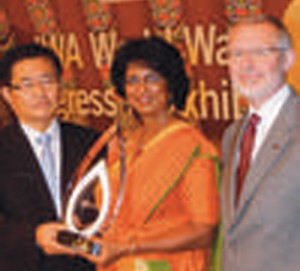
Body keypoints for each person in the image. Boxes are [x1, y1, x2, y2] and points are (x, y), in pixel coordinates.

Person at [36, 37, 220, 271]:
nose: (141, 89)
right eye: (132, 80)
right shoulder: (121, 143)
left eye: (151, 78)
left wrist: (128, 247)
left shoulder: (194, 147)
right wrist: (84, 228)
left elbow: (204, 231)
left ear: (171, 85)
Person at [0, 43, 99, 271]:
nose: (40, 93)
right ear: (8, 95)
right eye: (27, 85)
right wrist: (34, 236)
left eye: (47, 81)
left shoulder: (92, 143)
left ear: (60, 86)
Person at [221, 14, 300, 271]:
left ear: (287, 59)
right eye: (236, 54)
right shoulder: (232, 135)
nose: (247, 65)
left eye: (260, 52)